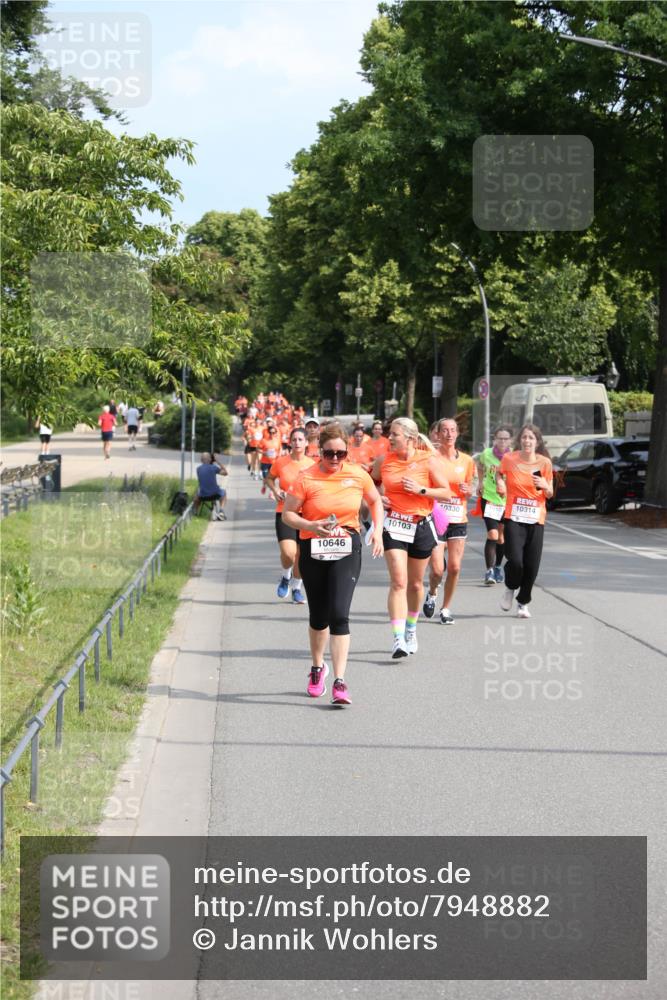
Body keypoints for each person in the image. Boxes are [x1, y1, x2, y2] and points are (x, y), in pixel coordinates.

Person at [282, 422, 384, 706]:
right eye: (330, 454)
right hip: (313, 547)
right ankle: (317, 668)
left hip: (346, 546)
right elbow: (288, 515)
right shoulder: (306, 478)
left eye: (341, 454)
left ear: (347, 452)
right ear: (320, 451)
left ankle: (340, 681)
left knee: (340, 614)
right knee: (319, 616)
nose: (336, 459)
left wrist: (377, 530)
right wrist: (311, 525)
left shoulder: (357, 474)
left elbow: (375, 502)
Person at [372, 417, 452, 658]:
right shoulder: (384, 460)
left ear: (409, 438)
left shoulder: (428, 460)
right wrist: (378, 497)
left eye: (395, 434)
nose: (390, 438)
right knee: (398, 581)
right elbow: (370, 484)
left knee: (416, 584)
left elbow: (446, 492)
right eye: (390, 434)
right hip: (394, 524)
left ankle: (410, 629)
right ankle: (397, 639)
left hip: (420, 525)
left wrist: (421, 490)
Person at [496, 423, 553, 618]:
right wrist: (500, 483)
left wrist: (545, 485)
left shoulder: (544, 463)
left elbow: (550, 492)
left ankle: (523, 602)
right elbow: (499, 473)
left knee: (532, 566)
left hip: (536, 519)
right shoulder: (510, 459)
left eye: (531, 438)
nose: (527, 441)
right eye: (524, 437)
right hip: (514, 516)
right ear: (520, 440)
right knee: (516, 560)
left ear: (537, 442)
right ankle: (510, 587)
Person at [423, 418, 475, 626]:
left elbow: (471, 487)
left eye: (453, 430)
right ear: (437, 433)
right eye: (445, 430)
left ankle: (445, 608)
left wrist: (468, 491)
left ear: (457, 433)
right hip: (436, 517)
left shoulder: (467, 461)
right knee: (437, 569)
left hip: (457, 518)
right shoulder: (430, 459)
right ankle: (433, 592)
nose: (449, 434)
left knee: (454, 567)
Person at [267, 427, 315, 605]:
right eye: (294, 439)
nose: (297, 443)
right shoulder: (281, 462)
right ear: (290, 442)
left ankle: (296, 587)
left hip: (307, 515)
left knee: (303, 558)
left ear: (306, 443)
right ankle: (285, 576)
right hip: (285, 512)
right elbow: (270, 478)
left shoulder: (313, 465)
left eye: (300, 440)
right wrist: (276, 489)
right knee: (289, 553)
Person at [476, 425, 514, 585]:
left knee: (501, 537)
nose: (502, 441)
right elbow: (479, 466)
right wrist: (480, 482)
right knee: (493, 535)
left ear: (510, 440)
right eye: (500, 438)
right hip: (490, 498)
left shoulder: (514, 457)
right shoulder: (486, 454)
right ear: (494, 439)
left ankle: (498, 566)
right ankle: (489, 571)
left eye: (506, 438)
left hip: (507, 501)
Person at [194, 452, 228, 520]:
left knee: (196, 495)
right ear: (210, 459)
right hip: (214, 495)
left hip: (202, 496)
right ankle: (221, 511)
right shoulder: (213, 467)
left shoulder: (198, 469)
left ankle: (196, 512)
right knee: (224, 492)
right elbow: (225, 473)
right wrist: (218, 461)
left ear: (201, 460)